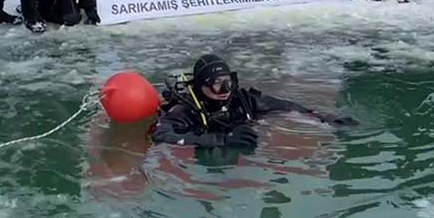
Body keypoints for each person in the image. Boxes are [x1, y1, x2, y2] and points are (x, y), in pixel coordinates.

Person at [151, 55, 355, 149]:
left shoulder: (242, 100)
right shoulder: (186, 110)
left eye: (227, 82)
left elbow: (285, 106)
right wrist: (222, 141)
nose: (225, 90)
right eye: (216, 84)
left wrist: (322, 117)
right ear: (200, 87)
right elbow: (161, 135)